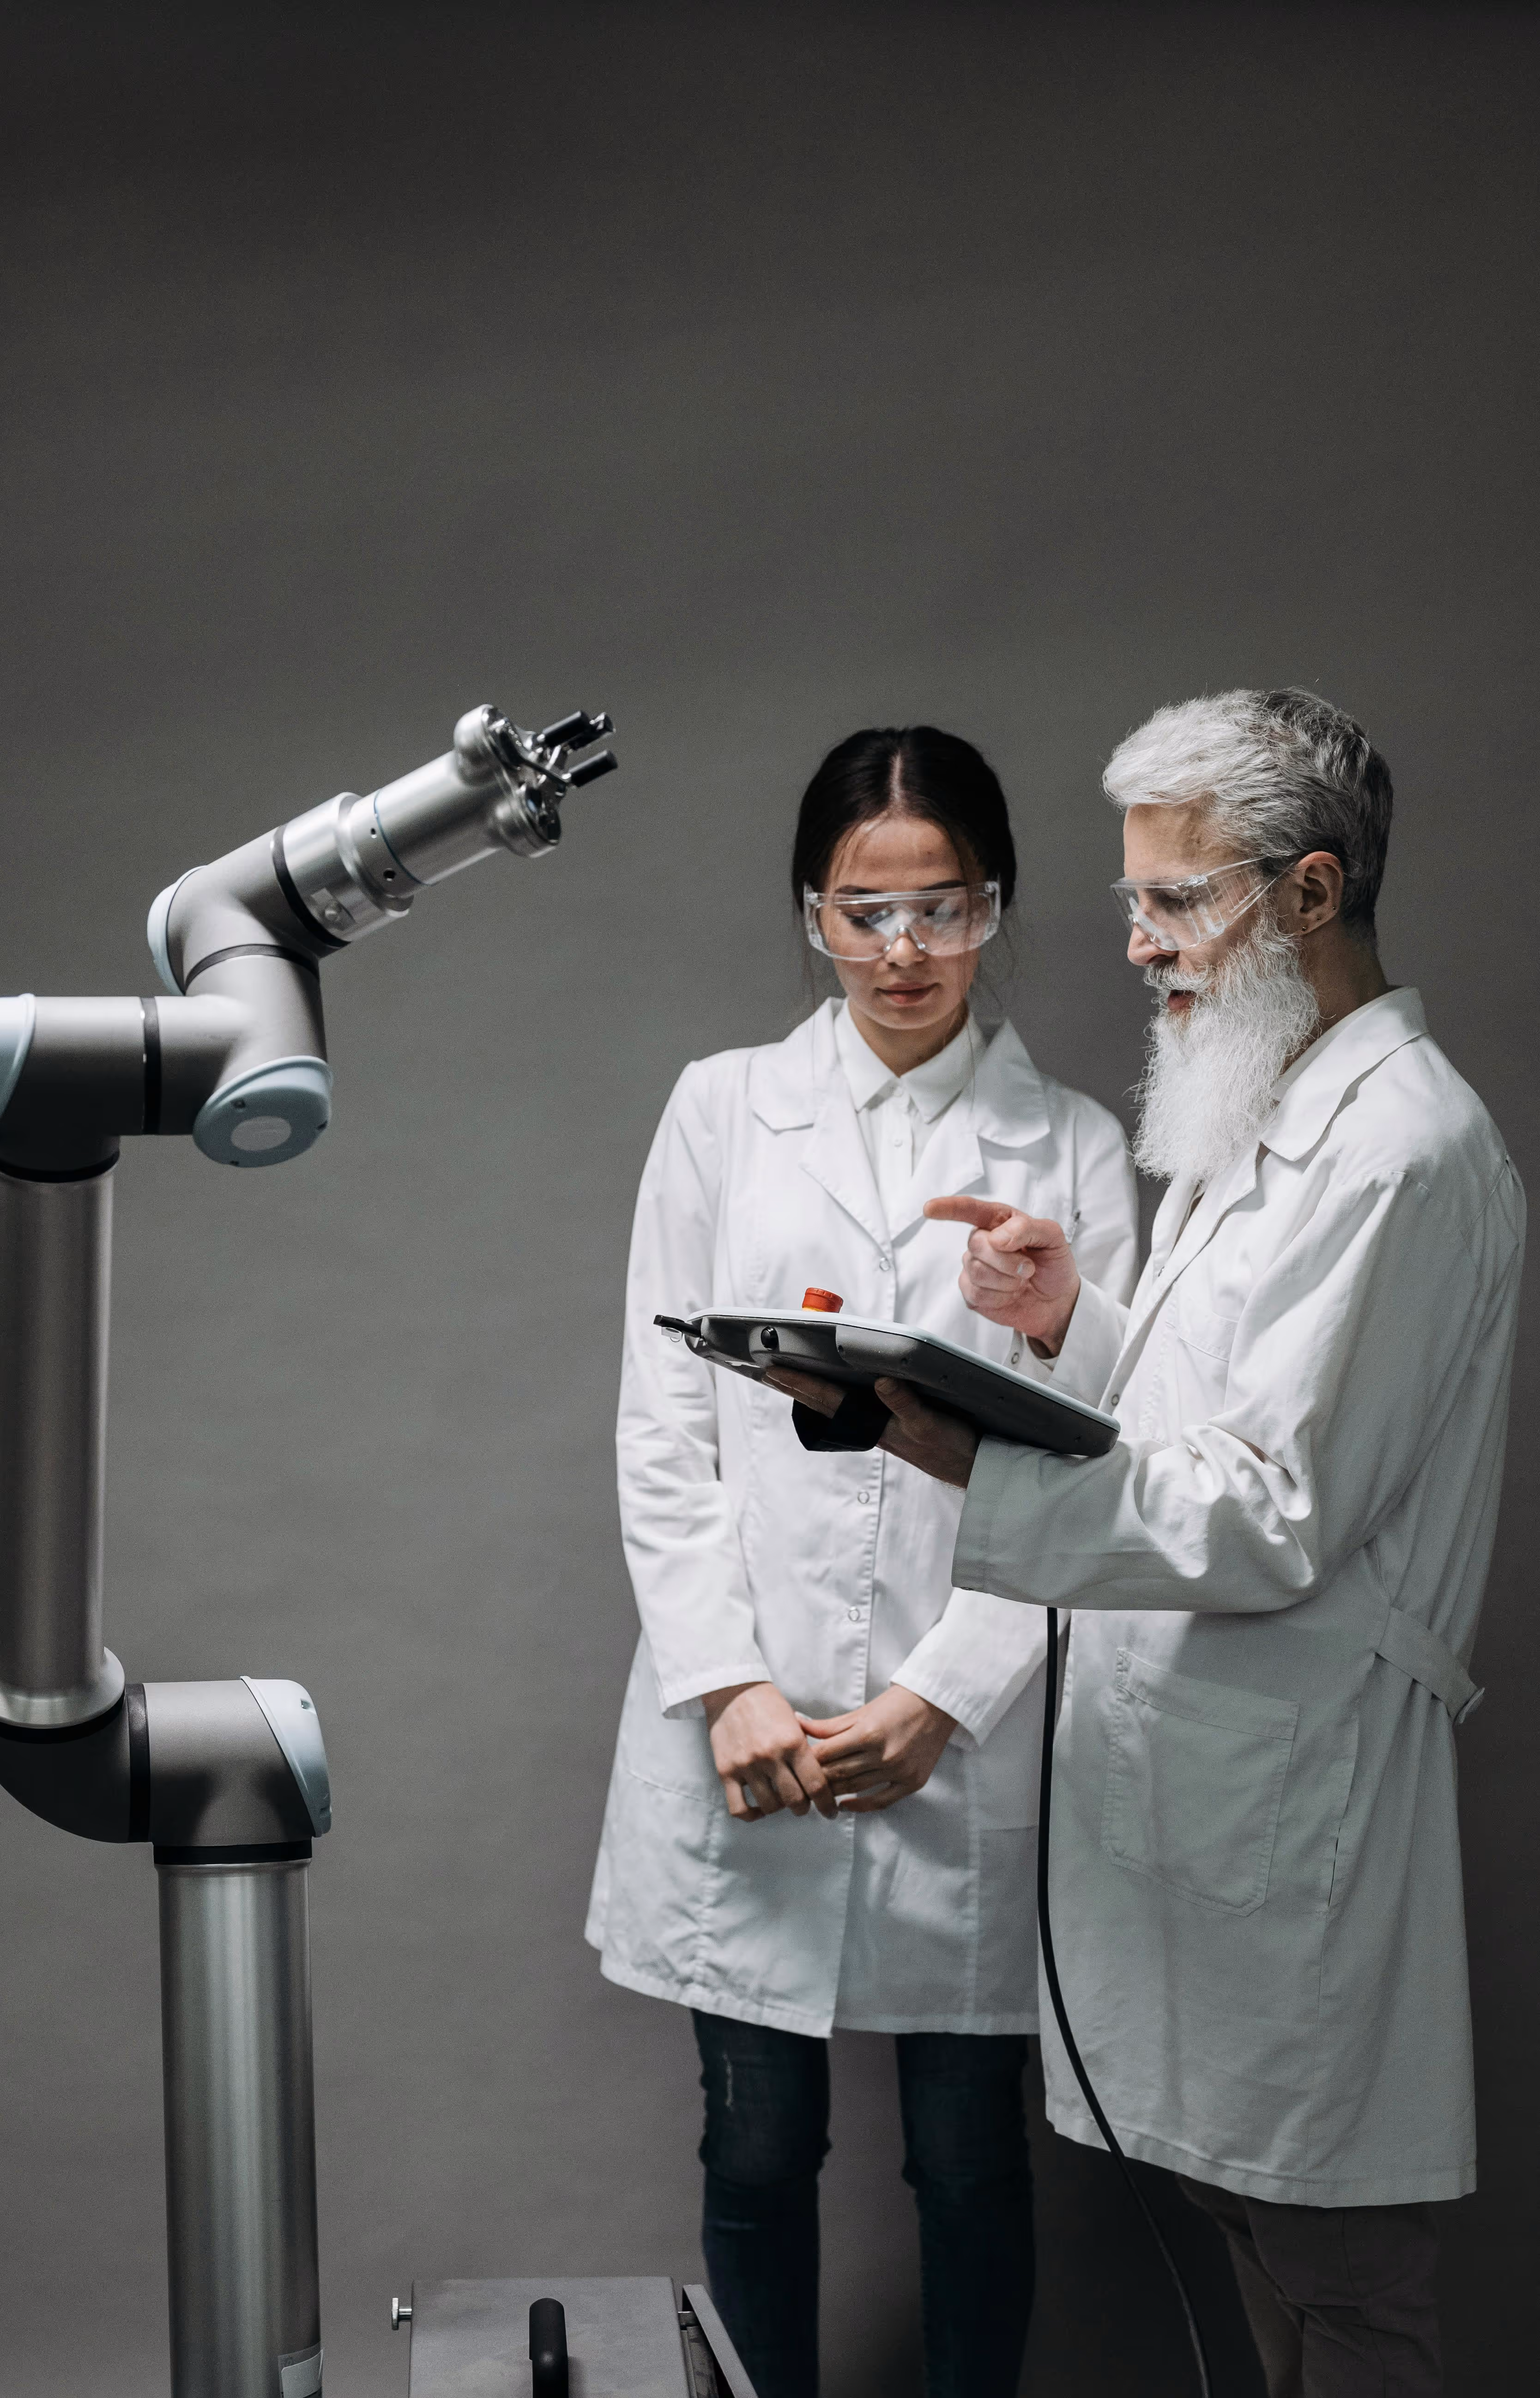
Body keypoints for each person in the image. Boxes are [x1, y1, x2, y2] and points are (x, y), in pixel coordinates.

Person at [776, 690, 1524, 2398]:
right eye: (1136, 899)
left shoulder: (1404, 1149)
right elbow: (1223, 1416)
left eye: (1180, 902)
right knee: (1259, 2219)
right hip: (1209, 1756)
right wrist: (1074, 1324)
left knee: (1340, 2258)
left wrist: (975, 1459)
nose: (1137, 944)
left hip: (1296, 1763)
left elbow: (1272, 1510)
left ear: (1314, 894)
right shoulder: (1273, 1106)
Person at [586, 725, 1138, 2398]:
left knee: (973, 2165)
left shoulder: (1075, 1150)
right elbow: (662, 1422)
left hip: (960, 1731)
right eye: (864, 912)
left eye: (945, 910)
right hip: (747, 1728)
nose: (905, 953)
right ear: (811, 917)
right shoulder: (724, 1113)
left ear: (999, 909)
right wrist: (730, 1683)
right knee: (753, 2158)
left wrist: (945, 1697)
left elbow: (1096, 1450)